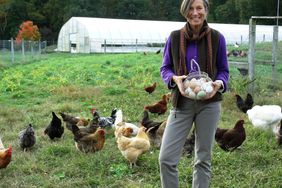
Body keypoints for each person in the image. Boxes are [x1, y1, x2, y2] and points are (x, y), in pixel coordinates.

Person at [159, 0, 229, 187]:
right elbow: (165, 68)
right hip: (182, 102)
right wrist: (174, 79)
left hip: (210, 103)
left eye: (199, 8)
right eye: (190, 8)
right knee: (166, 158)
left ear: (206, 11)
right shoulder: (174, 37)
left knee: (203, 159)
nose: (195, 12)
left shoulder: (217, 38)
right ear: (184, 11)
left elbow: (224, 70)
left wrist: (218, 83)